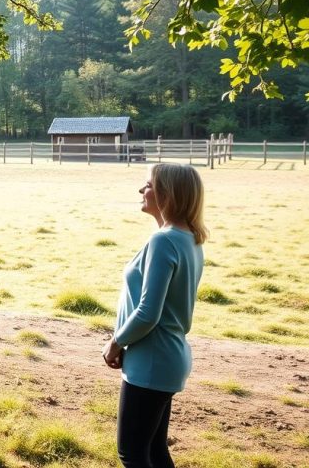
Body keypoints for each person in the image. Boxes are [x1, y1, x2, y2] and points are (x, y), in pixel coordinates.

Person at [102, 163, 208, 468]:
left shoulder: (164, 241)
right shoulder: (188, 238)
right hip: (166, 358)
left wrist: (116, 342)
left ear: (167, 193)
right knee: (155, 451)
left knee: (133, 453)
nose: (141, 190)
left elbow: (148, 313)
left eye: (147, 185)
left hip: (152, 358)